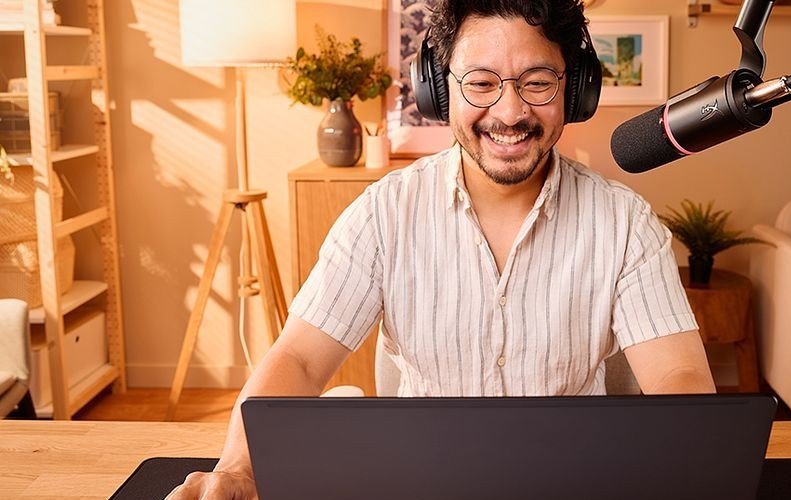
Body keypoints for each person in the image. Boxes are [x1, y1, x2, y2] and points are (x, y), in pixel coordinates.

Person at [167, 0, 714, 497]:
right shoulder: (384, 214)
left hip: (574, 483)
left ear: (574, 90)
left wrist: (691, 465)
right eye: (480, 82)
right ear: (439, 88)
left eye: (538, 81)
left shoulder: (624, 222)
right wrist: (239, 467)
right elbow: (300, 359)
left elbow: (679, 377)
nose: (508, 112)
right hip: (421, 483)